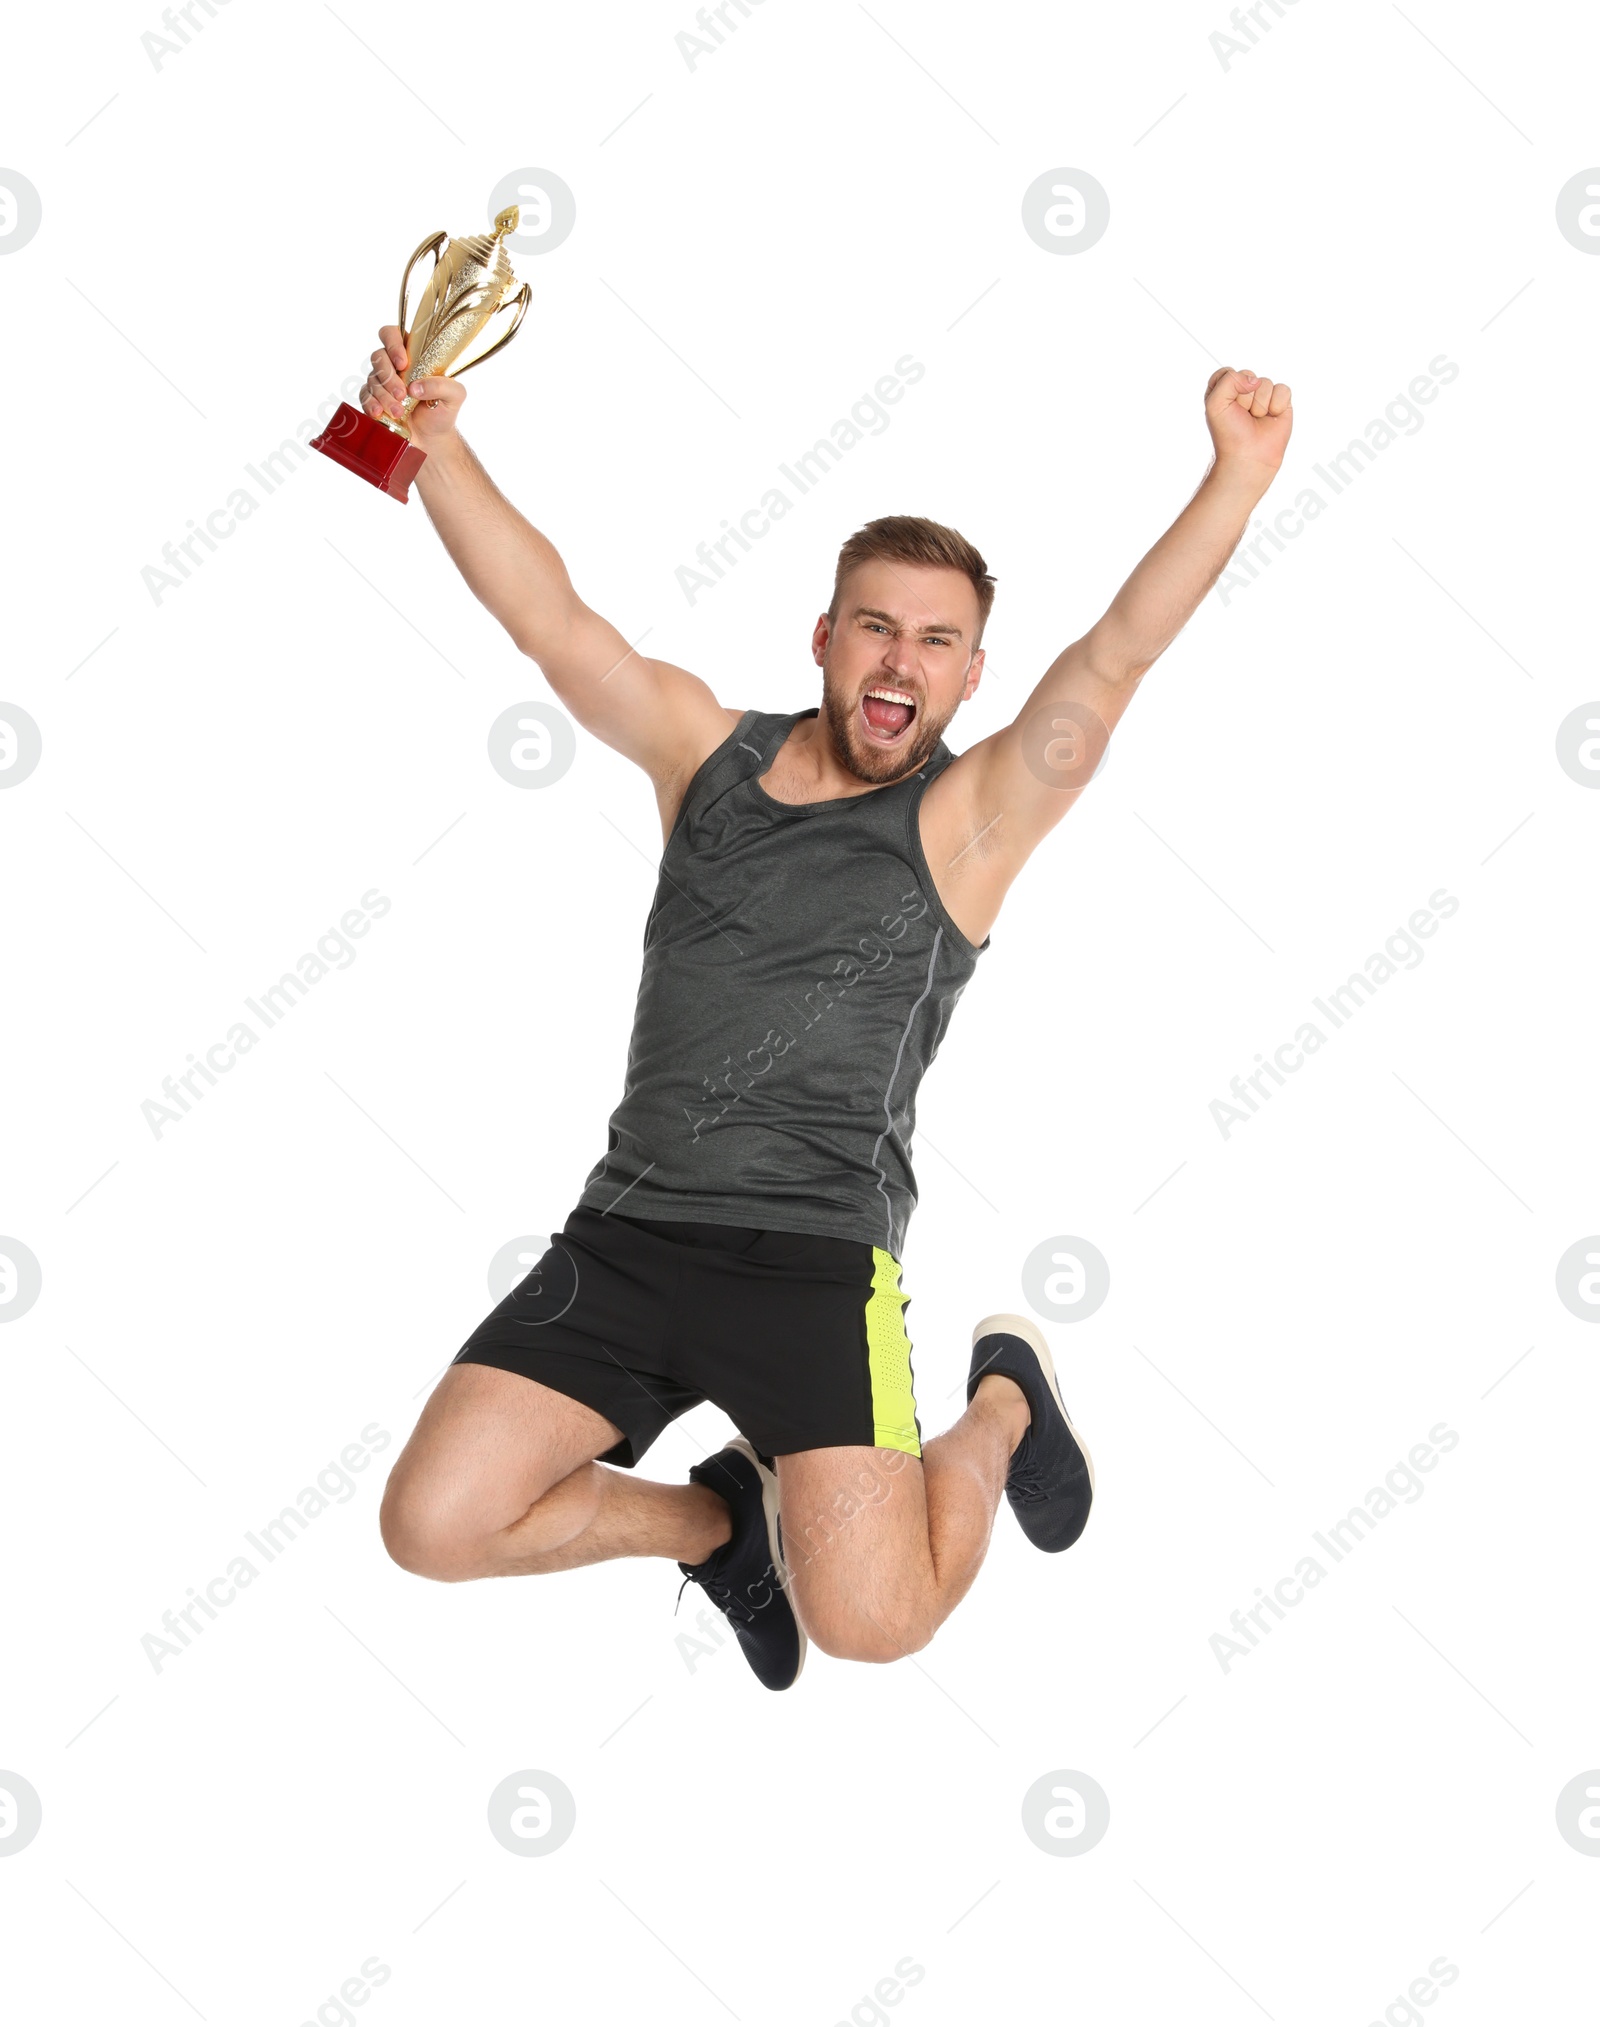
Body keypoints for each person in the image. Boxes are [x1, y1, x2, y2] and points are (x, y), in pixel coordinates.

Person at [370, 322, 1292, 1689]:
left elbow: (1113, 659)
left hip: (812, 1265)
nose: (901, 661)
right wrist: (433, 447)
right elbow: (552, 622)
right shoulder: (705, 758)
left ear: (971, 676)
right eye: (877, 624)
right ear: (825, 635)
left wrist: (1238, 478)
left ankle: (1001, 1406)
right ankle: (713, 1522)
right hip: (624, 1239)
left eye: (938, 641)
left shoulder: (971, 819)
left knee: (875, 1621)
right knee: (433, 1524)